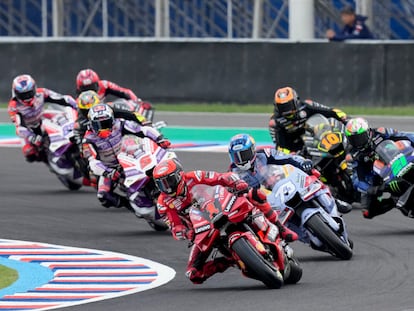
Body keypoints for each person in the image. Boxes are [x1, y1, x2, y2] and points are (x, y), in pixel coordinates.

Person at [153, 158, 298, 284]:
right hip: (201, 230)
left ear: (179, 176)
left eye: (169, 181)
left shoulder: (194, 176)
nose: (167, 187)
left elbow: (220, 177)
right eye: (161, 184)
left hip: (220, 207)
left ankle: (280, 227)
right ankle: (231, 261)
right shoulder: (163, 203)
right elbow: (174, 226)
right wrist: (186, 233)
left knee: (255, 194)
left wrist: (236, 183)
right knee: (193, 274)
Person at [228, 133, 352, 214]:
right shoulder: (232, 172)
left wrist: (303, 162)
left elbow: (287, 158)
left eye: (243, 154)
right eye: (236, 156)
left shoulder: (264, 154)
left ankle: (334, 200)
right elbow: (229, 194)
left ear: (252, 150)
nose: (241, 160)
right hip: (263, 199)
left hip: (277, 180)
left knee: (309, 174)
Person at [82, 103, 170, 208]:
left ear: (112, 119)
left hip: (128, 158)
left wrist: (159, 138)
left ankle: (168, 186)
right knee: (103, 196)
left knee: (151, 167)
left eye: (106, 123)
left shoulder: (120, 124)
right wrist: (108, 172)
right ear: (91, 124)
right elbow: (92, 163)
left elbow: (143, 130)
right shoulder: (88, 140)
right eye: (99, 125)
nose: (103, 128)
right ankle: (130, 206)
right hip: (110, 168)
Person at [345, 117, 414, 219]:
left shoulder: (380, 132)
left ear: (368, 132)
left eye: (360, 137)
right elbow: (356, 180)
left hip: (396, 159)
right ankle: (394, 200)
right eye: (354, 139)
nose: (358, 142)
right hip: (376, 175)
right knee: (367, 212)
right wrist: (371, 189)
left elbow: (402, 135)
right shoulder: (353, 154)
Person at [8, 74, 76, 162]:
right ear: (16, 94)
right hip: (28, 129)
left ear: (34, 89)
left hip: (42, 119)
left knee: (62, 119)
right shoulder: (13, 106)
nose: (28, 97)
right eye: (23, 95)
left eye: (29, 93)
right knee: (29, 154)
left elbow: (62, 98)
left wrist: (76, 105)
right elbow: (19, 128)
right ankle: (49, 162)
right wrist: (31, 137)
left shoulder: (42, 93)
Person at [268, 86, 349, 154]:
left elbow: (328, 111)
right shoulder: (275, 122)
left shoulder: (307, 106)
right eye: (282, 107)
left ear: (296, 101)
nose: (287, 110)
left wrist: (343, 118)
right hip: (296, 147)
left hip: (315, 138)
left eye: (289, 105)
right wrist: (291, 153)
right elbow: (280, 146)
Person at [75, 68, 154, 120]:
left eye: (91, 87)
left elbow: (125, 92)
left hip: (107, 115)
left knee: (122, 103)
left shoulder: (104, 85)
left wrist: (138, 102)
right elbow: (76, 116)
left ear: (97, 83)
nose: (89, 91)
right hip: (90, 121)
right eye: (85, 89)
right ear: (79, 89)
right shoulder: (78, 100)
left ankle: (143, 123)